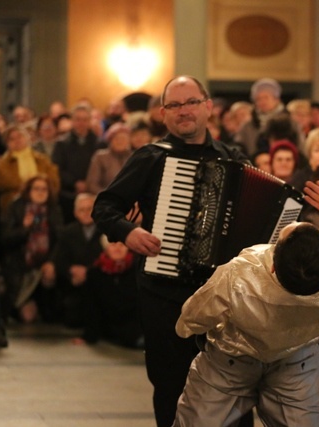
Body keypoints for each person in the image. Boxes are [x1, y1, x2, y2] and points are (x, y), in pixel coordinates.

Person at [91, 75, 251, 427]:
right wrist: (129, 232)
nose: (184, 111)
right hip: (164, 292)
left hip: (221, 293)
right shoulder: (151, 157)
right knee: (170, 384)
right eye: (174, 105)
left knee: (234, 385)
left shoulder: (235, 160)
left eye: (191, 102)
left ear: (208, 107)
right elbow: (104, 207)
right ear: (163, 114)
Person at [172, 180, 319, 426]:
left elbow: (192, 318)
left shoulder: (242, 274)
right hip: (297, 364)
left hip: (230, 363)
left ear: (273, 264)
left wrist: (189, 329)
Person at [0, 175, 63, 323]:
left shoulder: (54, 210)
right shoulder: (15, 207)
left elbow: (61, 240)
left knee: (49, 315)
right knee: (28, 317)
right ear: (28, 191)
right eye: (36, 188)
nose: (40, 192)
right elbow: (5, 239)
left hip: (44, 265)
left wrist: (52, 262)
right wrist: (24, 228)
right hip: (20, 267)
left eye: (44, 189)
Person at [50, 193, 102, 328]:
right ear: (75, 213)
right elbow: (59, 259)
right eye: (81, 210)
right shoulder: (67, 232)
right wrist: (71, 270)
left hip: (100, 282)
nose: (86, 213)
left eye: (89, 209)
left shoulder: (106, 231)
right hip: (73, 284)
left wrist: (88, 271)